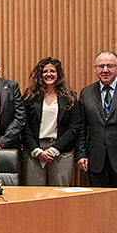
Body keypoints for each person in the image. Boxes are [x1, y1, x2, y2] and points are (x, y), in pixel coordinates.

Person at [77, 51, 117, 233]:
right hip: (96, 159)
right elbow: (81, 128)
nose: (105, 70)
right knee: (100, 205)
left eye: (110, 66)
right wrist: (81, 154)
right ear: (95, 69)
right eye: (101, 66)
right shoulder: (86, 92)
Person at [21, 57, 82, 186]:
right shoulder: (30, 96)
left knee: (58, 195)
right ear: (40, 75)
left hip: (61, 152)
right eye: (45, 71)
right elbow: (24, 125)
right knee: (34, 195)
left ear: (58, 74)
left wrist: (54, 150)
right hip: (34, 152)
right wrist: (37, 151)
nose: (48, 74)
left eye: (52, 71)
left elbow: (74, 128)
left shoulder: (70, 97)